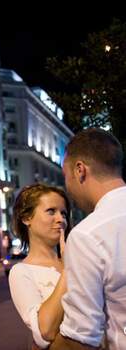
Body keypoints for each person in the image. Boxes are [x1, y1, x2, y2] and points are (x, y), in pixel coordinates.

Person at [50, 128, 126, 350]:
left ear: (80, 170)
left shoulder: (88, 235)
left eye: (65, 176)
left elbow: (81, 338)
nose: (68, 186)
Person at [9, 183, 71, 349]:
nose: (61, 219)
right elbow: (45, 332)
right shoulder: (21, 272)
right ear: (26, 218)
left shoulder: (79, 259)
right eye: (51, 211)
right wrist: (68, 271)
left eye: (63, 213)